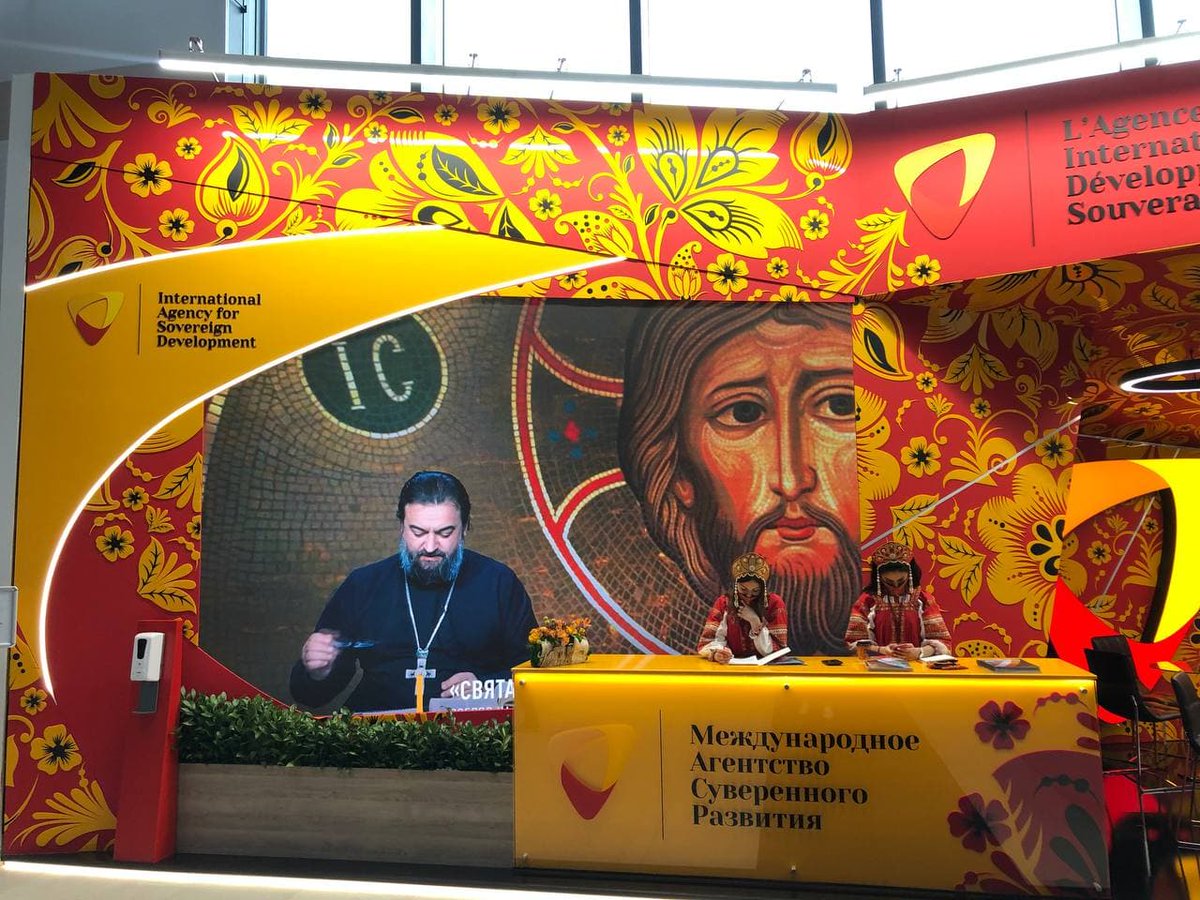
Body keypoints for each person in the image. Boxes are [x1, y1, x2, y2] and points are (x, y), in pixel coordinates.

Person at [619, 302, 859, 655]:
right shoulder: (727, 609)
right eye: (742, 412)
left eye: (839, 405)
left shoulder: (891, 606)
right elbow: (712, 643)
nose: (791, 481)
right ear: (679, 472)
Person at [289, 471, 537, 713]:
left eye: (445, 533)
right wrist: (318, 671)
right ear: (402, 526)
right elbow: (309, 697)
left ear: (465, 528)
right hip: (373, 732)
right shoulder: (363, 584)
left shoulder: (499, 583)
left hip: (467, 731)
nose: (430, 546)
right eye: (418, 532)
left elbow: (535, 677)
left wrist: (485, 688)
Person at [844, 541, 952, 659]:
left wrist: (919, 652)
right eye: (889, 582)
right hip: (877, 666)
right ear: (879, 579)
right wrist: (881, 650)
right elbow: (852, 643)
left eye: (901, 581)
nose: (896, 587)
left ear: (910, 576)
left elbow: (943, 642)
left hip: (917, 666)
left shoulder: (923, 600)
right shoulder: (867, 601)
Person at [697, 552, 788, 663]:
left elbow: (776, 651)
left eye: (755, 591)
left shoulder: (774, 603)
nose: (749, 595)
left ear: (762, 589)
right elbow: (709, 641)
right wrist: (718, 653)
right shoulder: (724, 603)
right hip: (730, 666)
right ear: (736, 586)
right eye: (743, 590)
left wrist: (755, 622)